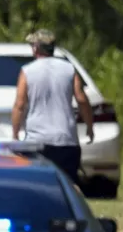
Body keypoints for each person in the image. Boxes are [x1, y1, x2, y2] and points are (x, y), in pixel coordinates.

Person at [11, 29, 94, 184]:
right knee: (67, 186)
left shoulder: (27, 71)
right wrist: (89, 126)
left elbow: (19, 105)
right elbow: (82, 99)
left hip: (37, 141)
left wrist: (15, 135)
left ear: (36, 48)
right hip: (66, 140)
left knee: (38, 185)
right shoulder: (69, 69)